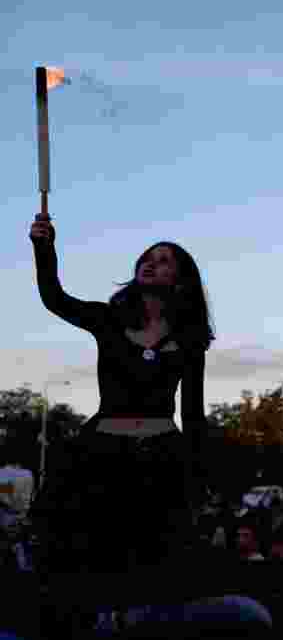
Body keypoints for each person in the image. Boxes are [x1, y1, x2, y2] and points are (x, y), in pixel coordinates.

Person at [29, 214, 215, 574]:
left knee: (152, 559)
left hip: (160, 460)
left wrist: (197, 477)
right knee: (87, 553)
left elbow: (193, 414)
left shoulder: (190, 340)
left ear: (179, 279)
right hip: (101, 455)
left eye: (163, 260)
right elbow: (54, 298)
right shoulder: (108, 319)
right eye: (147, 257)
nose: (150, 262)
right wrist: (44, 246)